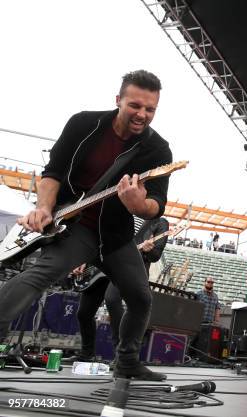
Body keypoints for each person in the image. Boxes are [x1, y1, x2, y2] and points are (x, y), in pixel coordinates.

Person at [0, 70, 172, 381]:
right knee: (41, 275)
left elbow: (156, 205)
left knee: (140, 298)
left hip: (116, 235)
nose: (142, 115)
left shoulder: (158, 150)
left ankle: (127, 360)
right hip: (75, 225)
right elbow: (52, 172)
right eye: (135, 105)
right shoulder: (83, 124)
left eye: (150, 109)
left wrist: (137, 204)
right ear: (118, 100)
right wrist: (43, 207)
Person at [67, 216, 170, 364]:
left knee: (112, 300)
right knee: (84, 313)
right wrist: (85, 260)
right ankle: (86, 353)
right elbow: (100, 240)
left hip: (126, 268)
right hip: (100, 267)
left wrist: (150, 249)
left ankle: (120, 357)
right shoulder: (120, 211)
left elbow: (155, 256)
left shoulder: (160, 222)